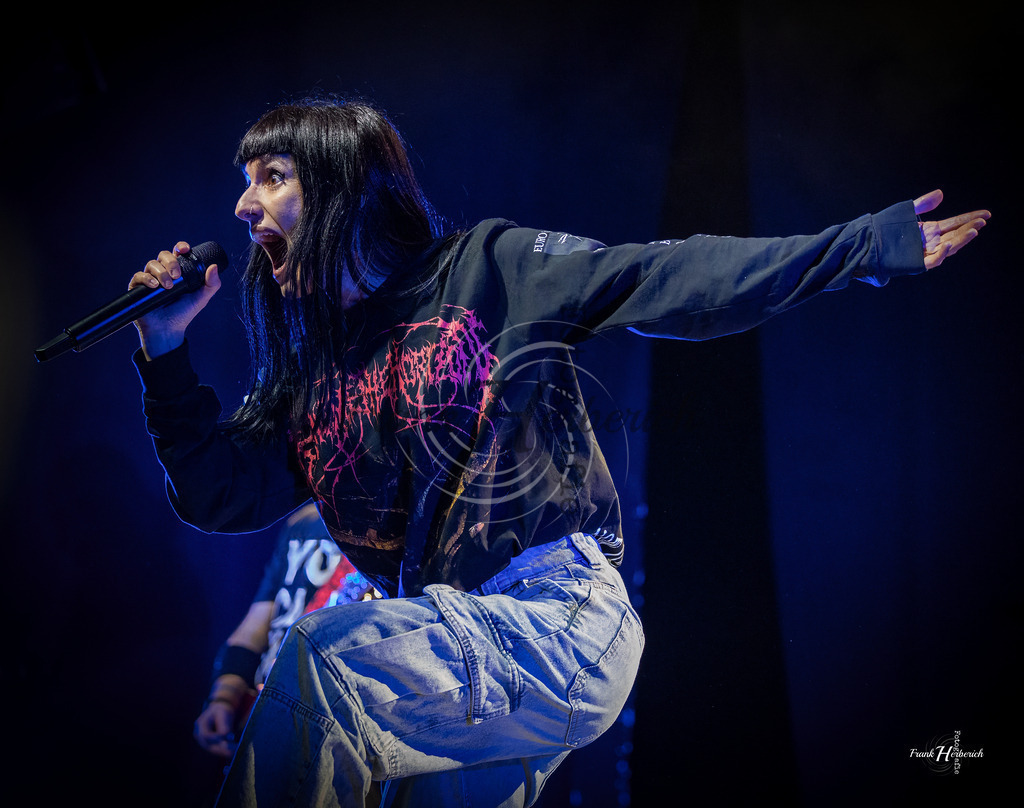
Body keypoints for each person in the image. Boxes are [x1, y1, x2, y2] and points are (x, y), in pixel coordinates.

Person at [128, 95, 989, 807]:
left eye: (272, 178)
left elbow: (665, 275)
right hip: (452, 653)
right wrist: (162, 351)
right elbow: (217, 495)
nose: (243, 208)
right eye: (245, 185)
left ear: (344, 185)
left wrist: (863, 247)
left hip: (557, 617)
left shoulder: (491, 268)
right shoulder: (313, 378)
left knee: (323, 656)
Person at [194, 502, 376, 761]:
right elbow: (254, 627)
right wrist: (223, 697)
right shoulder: (302, 523)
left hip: (331, 726)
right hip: (265, 710)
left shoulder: (399, 532)